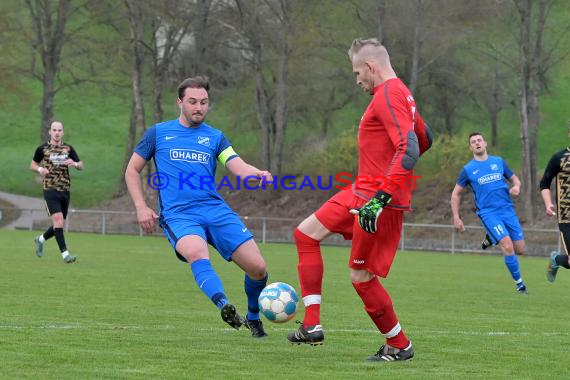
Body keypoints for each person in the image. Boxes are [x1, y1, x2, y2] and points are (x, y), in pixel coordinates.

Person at [287, 38, 432, 362]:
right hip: (360, 190)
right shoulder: (402, 94)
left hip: (374, 200)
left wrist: (382, 197)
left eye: (357, 72)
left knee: (362, 278)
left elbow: (408, 148)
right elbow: (425, 139)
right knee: (305, 234)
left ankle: (399, 345)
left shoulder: (390, 94)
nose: (357, 80)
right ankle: (311, 325)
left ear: (370, 67)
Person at [125, 76, 271, 338]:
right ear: (180, 102)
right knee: (196, 251)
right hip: (179, 214)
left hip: (215, 210)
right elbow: (132, 170)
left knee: (258, 268)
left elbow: (237, 165)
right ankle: (223, 304)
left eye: (204, 102)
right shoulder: (158, 133)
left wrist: (256, 173)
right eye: (192, 102)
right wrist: (141, 206)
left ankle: (253, 317)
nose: (199, 107)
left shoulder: (215, 137)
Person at [451, 132, 528, 294]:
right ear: (470, 147)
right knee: (507, 246)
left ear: (485, 143)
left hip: (507, 210)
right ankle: (520, 284)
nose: (477, 143)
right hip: (489, 213)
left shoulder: (498, 162)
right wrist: (456, 217)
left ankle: (491, 237)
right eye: (473, 142)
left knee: (520, 249)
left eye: (479, 140)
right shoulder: (468, 169)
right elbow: (456, 193)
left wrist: (516, 187)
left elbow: (515, 179)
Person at [31, 120, 83, 263]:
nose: (57, 133)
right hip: (50, 189)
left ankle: (40, 239)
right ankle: (65, 255)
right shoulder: (42, 149)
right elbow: (33, 164)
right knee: (58, 220)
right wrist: (40, 169)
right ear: (50, 132)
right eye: (54, 130)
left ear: (63, 132)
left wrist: (75, 164)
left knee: (58, 224)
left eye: (59, 130)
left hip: (65, 190)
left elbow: (81, 165)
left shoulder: (68, 148)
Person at [540, 122, 570, 282]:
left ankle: (557, 260)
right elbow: (544, 183)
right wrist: (548, 203)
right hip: (567, 216)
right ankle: (556, 260)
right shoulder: (559, 158)